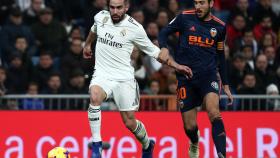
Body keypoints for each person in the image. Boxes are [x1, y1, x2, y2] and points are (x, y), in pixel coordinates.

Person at [83, 0, 192, 157]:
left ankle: (147, 145)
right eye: (112, 7)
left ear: (126, 7)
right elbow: (94, 30)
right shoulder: (101, 17)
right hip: (102, 74)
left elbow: (155, 52)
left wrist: (177, 66)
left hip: (124, 79)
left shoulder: (135, 28)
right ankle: (96, 146)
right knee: (94, 97)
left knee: (129, 122)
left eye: (119, 8)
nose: (115, 11)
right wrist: (87, 45)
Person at [158, 0, 233, 158]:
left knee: (214, 113)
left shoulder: (220, 26)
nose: (198, 7)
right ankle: (194, 141)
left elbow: (221, 55)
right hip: (186, 78)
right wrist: (164, 47)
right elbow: (164, 32)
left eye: (202, 3)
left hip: (209, 76)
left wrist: (225, 83)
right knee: (190, 127)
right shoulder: (184, 18)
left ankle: (222, 155)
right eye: (196, 3)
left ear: (211, 3)